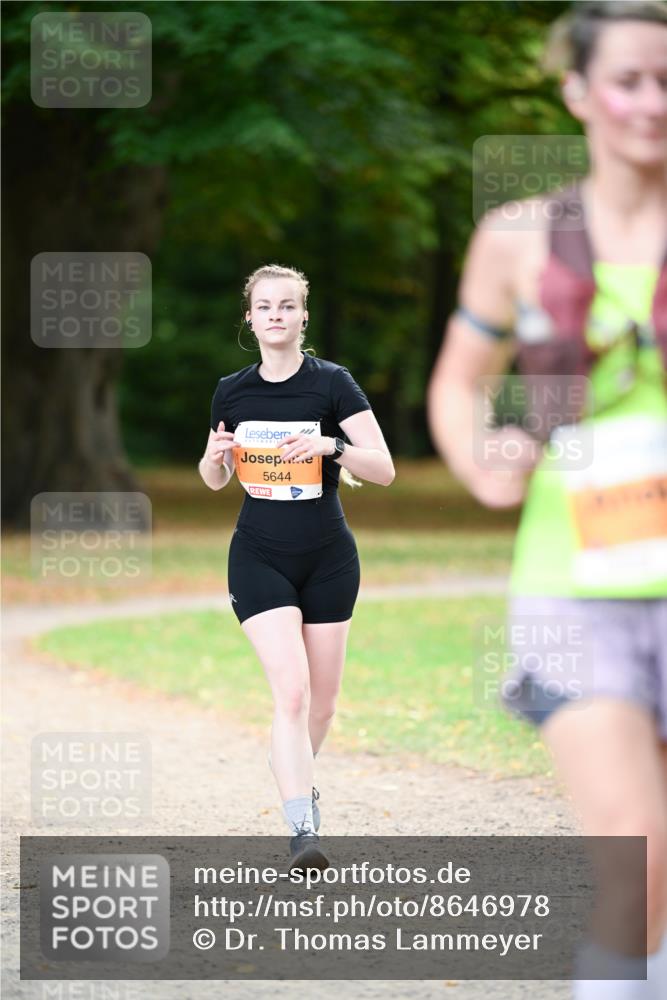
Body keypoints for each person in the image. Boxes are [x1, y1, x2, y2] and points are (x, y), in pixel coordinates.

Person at [427, 3, 667, 997]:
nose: (651, 103)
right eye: (627, 81)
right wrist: (481, 453)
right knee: (637, 854)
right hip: (574, 589)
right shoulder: (517, 237)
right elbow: (458, 381)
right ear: (576, 91)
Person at [199, 264, 395, 871]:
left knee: (322, 705)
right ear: (250, 318)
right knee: (292, 690)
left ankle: (292, 772)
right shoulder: (231, 391)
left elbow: (384, 468)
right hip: (258, 555)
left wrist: (331, 446)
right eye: (265, 307)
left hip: (329, 558)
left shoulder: (332, 383)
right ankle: (302, 828)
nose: (276, 315)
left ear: (303, 316)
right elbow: (215, 478)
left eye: (287, 306)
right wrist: (214, 458)